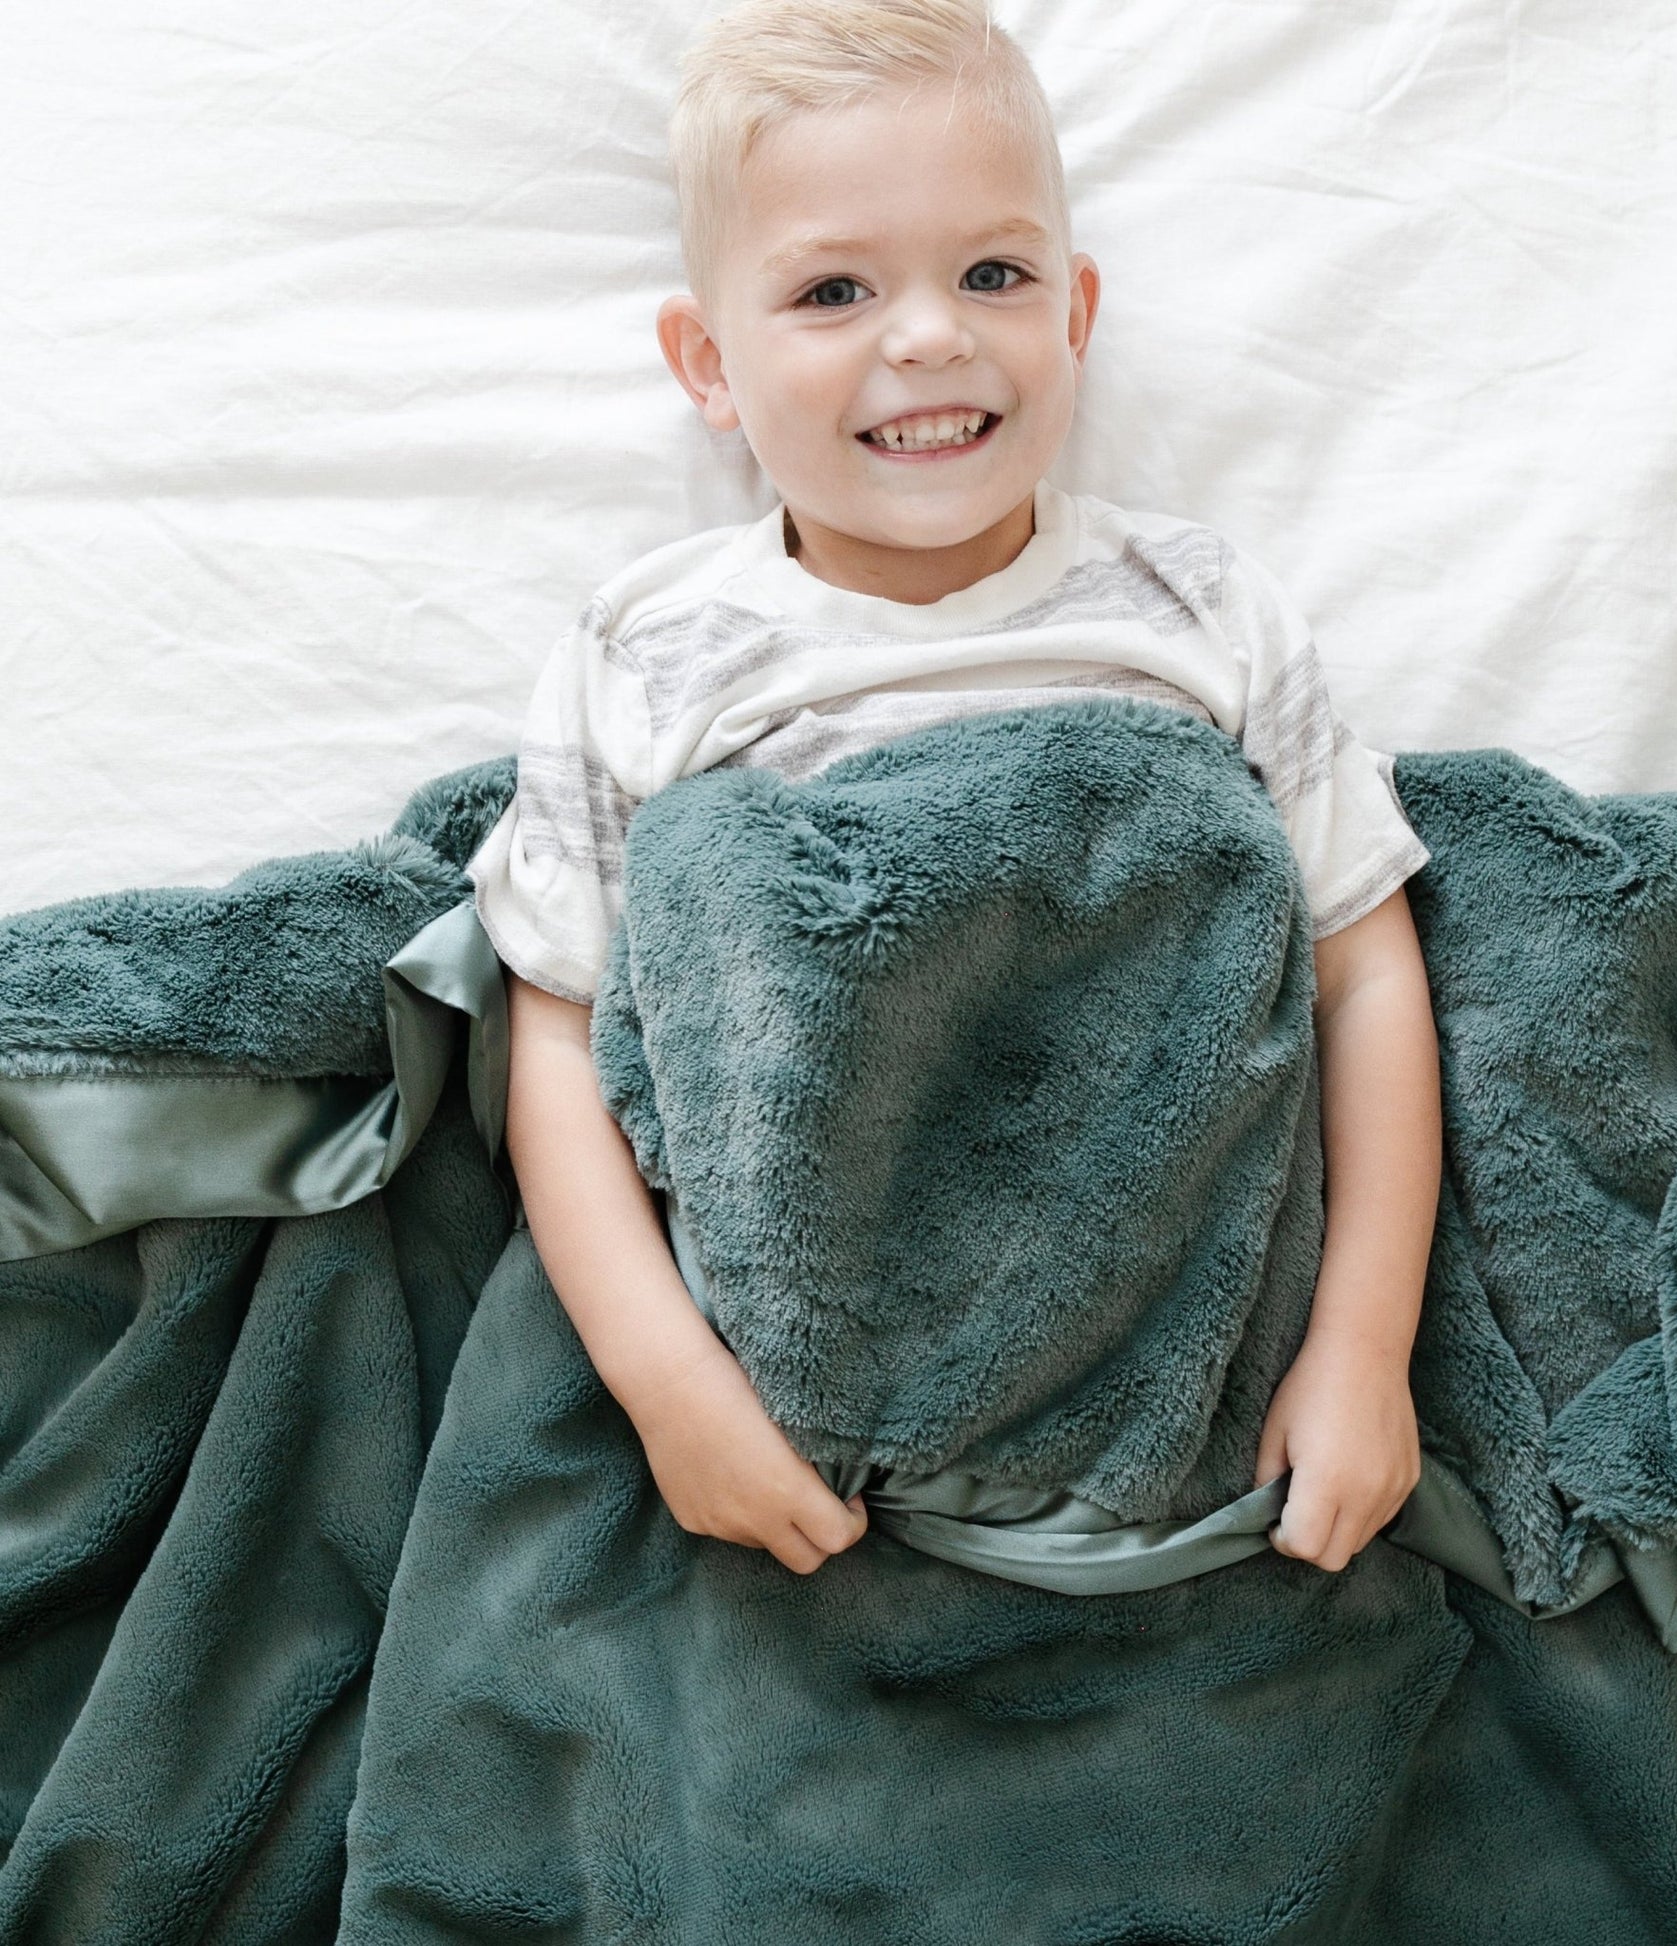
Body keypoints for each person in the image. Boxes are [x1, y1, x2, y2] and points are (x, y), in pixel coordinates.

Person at [469, 0, 1442, 1584]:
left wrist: (1363, 1347)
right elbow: (562, 1030)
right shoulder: (649, 650)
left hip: (1175, 1356)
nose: (927, 334)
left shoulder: (1192, 609)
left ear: (1076, 312)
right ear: (707, 364)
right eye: (833, 289)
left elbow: (1362, 962)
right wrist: (669, 1387)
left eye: (994, 274)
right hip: (812, 1380)